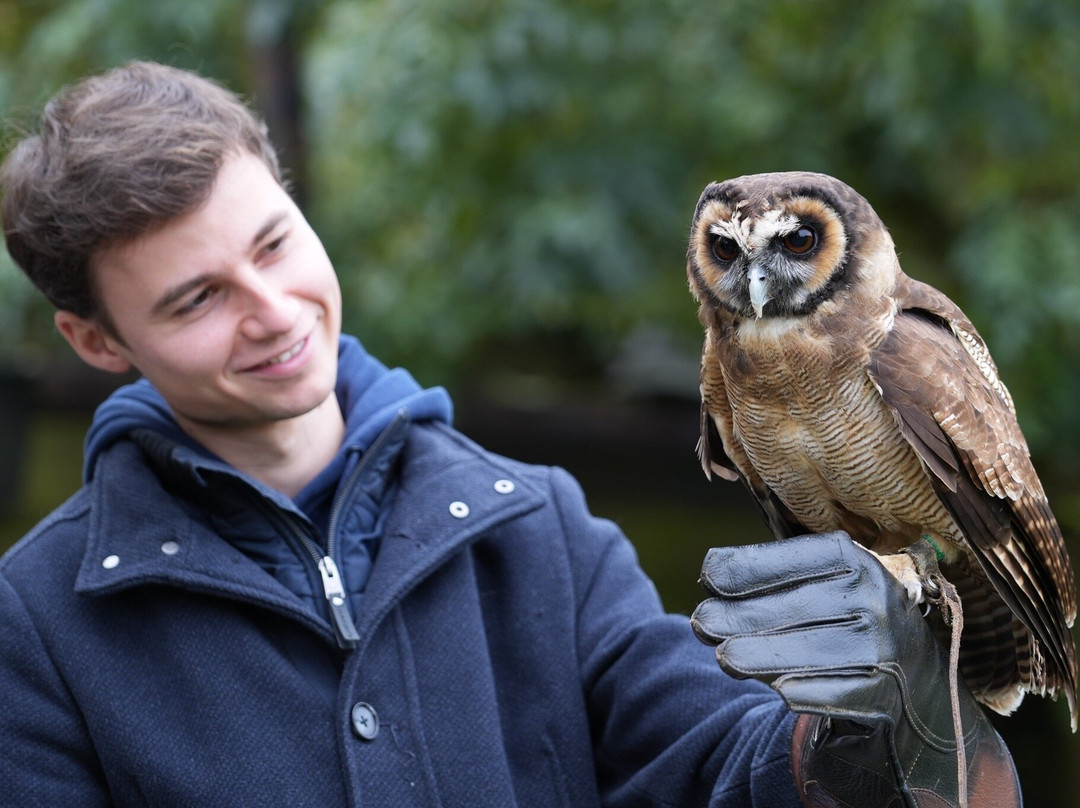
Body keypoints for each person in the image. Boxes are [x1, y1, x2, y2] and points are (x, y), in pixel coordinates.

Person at [0, 61, 1020, 808]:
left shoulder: (536, 528)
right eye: (196, 299)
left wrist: (868, 735)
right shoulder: (40, 627)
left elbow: (718, 765)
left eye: (274, 242)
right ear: (97, 340)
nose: (273, 309)